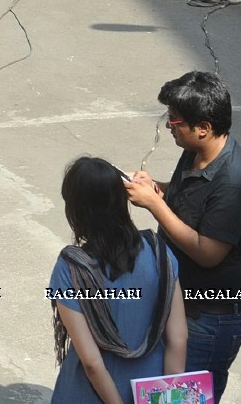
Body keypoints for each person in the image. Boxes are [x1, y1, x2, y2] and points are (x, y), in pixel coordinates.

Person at [127, 71, 241, 402]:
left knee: (185, 398)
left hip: (210, 316)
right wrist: (158, 188)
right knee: (164, 392)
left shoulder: (234, 182)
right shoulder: (198, 152)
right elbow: (189, 197)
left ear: (204, 127)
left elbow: (208, 252)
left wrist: (154, 206)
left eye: (176, 122)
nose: (170, 127)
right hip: (180, 302)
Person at [51, 157, 187, 404]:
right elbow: (178, 339)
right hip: (150, 393)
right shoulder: (159, 253)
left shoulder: (71, 268)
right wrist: (170, 398)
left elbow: (92, 363)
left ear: (76, 209)